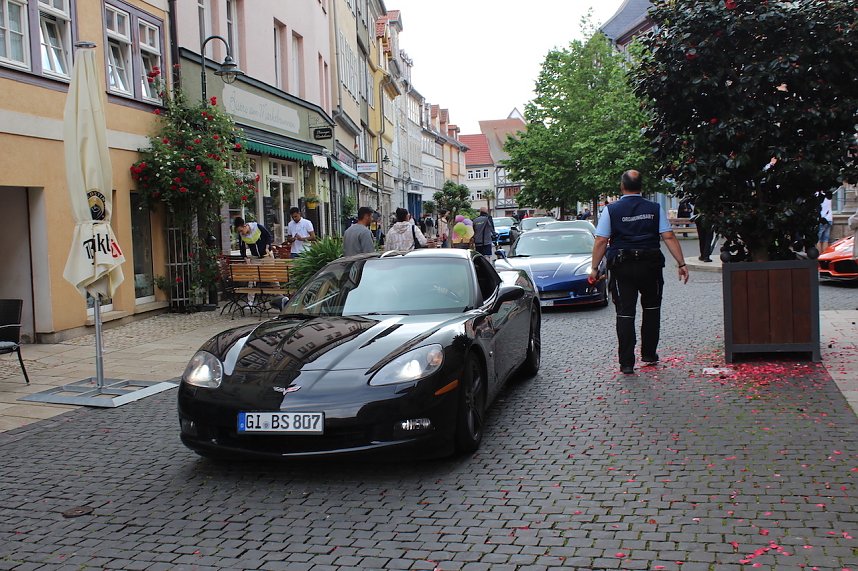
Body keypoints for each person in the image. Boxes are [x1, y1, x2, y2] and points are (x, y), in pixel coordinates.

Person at [590, 170, 689, 375]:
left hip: (622, 267)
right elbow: (668, 236)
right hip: (650, 266)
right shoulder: (654, 208)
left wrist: (594, 267)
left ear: (622, 186)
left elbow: (601, 240)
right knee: (651, 310)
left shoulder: (611, 210)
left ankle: (626, 363)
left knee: (625, 314)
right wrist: (681, 263)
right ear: (641, 187)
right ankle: (649, 354)